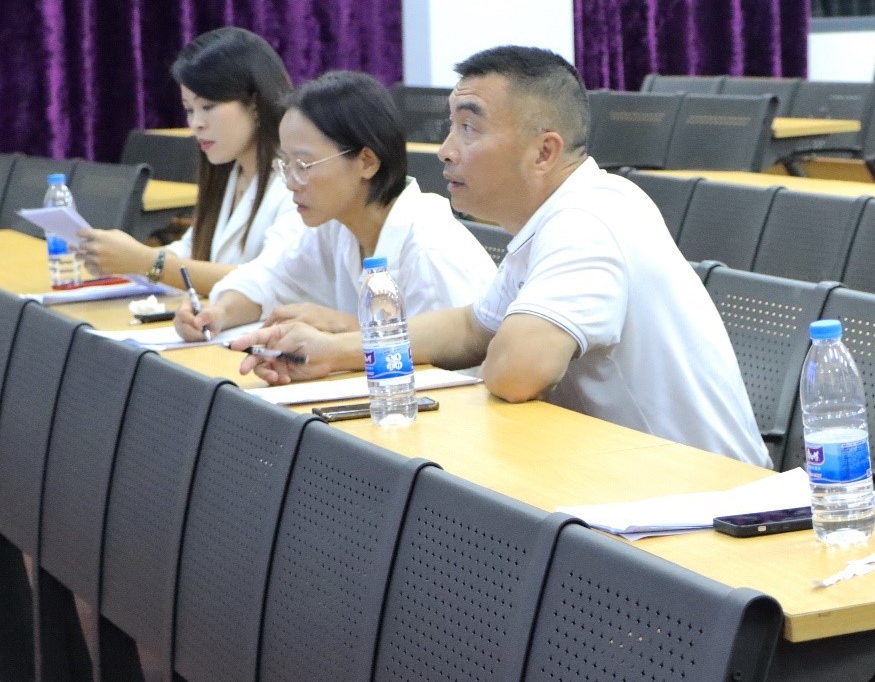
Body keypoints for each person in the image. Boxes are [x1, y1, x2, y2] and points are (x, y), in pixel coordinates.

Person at [231, 46, 771, 467]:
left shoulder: (589, 220)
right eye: (450, 127)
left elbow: (515, 370)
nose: (446, 149)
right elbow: (470, 328)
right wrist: (335, 350)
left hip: (713, 505)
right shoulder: (549, 223)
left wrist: (483, 357)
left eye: (469, 128)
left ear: (544, 151)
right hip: (637, 481)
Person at [175, 70, 494, 340]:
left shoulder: (429, 251)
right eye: (286, 164)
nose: (290, 182)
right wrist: (218, 313)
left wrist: (346, 329)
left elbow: (456, 365)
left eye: (304, 164)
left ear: (366, 161)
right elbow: (271, 279)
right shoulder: (336, 225)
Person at [78, 27, 305, 292]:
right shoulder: (230, 172)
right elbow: (190, 250)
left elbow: (269, 280)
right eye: (189, 109)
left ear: (255, 104)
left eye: (208, 107)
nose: (196, 123)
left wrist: (146, 261)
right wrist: (124, 259)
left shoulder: (298, 181)